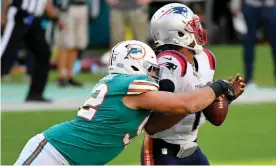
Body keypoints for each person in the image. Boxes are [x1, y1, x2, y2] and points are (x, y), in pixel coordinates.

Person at [14, 40, 242, 165]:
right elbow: (184, 104)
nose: (154, 74)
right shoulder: (132, 84)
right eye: (151, 68)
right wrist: (218, 87)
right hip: (54, 154)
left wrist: (220, 98)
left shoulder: (121, 84)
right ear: (134, 64)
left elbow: (174, 114)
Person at [141, 3, 245, 165]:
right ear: (179, 33)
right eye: (192, 26)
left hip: (192, 148)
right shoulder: (169, 63)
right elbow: (152, 125)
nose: (198, 29)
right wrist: (192, 103)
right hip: (162, 150)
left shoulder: (205, 59)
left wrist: (226, 97)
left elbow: (216, 118)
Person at [1, 0, 63, 102]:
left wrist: (56, 19)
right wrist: (3, 14)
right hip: (19, 14)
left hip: (35, 18)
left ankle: (35, 94)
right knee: (5, 52)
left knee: (43, 53)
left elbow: (45, 3)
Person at [231, 0, 276, 87]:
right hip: (251, 4)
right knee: (249, 42)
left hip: (270, 5)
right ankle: (249, 78)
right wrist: (235, 4)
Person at [54, 0, 91, 87]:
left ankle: (69, 76)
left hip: (82, 6)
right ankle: (61, 76)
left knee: (77, 43)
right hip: (68, 7)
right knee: (66, 42)